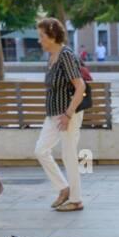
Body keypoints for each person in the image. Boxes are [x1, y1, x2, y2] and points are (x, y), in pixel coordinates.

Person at [35, 17, 86, 213]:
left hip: (68, 114)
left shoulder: (66, 55)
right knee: (40, 150)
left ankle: (76, 199)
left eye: (41, 36)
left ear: (52, 36)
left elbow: (80, 86)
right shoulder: (51, 56)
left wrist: (68, 114)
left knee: (69, 155)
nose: (39, 40)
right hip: (53, 115)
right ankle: (64, 188)